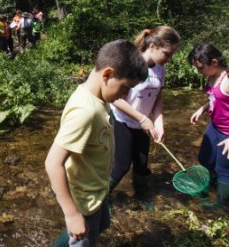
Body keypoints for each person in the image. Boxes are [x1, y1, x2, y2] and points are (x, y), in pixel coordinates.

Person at [45, 40, 148, 246]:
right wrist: (72, 214)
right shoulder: (85, 111)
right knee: (82, 236)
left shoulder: (100, 97)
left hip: (97, 190)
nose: (126, 96)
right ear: (108, 74)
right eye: (126, 88)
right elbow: (52, 163)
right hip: (84, 199)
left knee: (100, 225)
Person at [109, 26, 180, 201]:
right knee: (121, 166)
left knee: (142, 164)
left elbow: (157, 96)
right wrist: (142, 118)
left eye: (172, 55)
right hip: (122, 120)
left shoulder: (160, 68)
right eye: (167, 53)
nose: (169, 59)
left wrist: (158, 122)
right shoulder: (130, 65)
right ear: (153, 46)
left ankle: (142, 197)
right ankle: (99, 200)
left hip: (142, 124)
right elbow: (114, 99)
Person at [189, 43, 229, 208]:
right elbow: (217, 99)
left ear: (215, 63)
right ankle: (210, 185)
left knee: (223, 170)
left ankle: (221, 205)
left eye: (201, 68)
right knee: (204, 158)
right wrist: (203, 109)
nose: (199, 72)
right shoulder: (212, 76)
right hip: (215, 128)